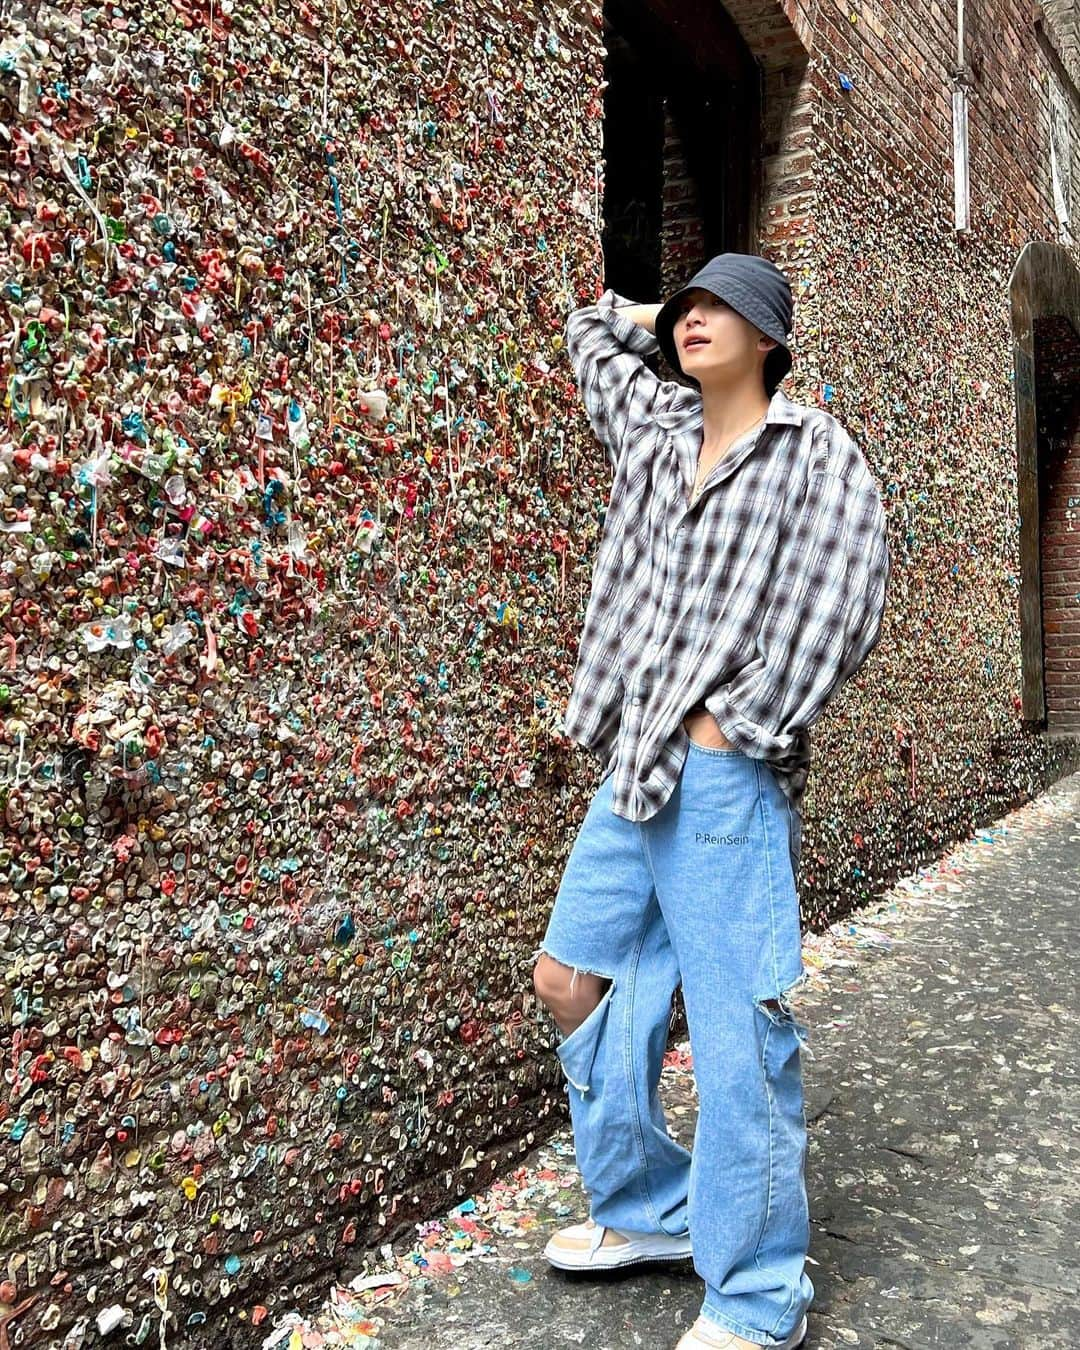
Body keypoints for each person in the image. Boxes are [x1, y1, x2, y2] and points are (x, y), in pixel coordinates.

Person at [531, 253, 891, 1350]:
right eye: (686, 306)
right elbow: (591, 334)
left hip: (721, 775)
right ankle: (651, 1210)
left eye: (718, 306)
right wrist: (647, 308)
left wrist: (742, 721)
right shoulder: (650, 426)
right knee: (569, 977)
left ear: (772, 336)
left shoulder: (814, 453)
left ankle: (758, 1292)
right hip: (630, 762)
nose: (692, 321)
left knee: (739, 1032)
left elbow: (848, 594)